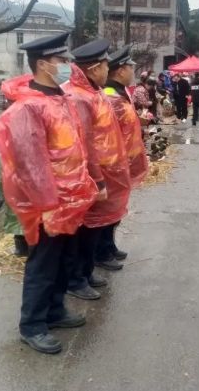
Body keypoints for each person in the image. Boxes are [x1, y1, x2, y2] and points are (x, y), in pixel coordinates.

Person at [0, 33, 98, 354]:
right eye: (61, 61)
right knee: (42, 265)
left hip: (69, 202)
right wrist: (47, 206)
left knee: (61, 261)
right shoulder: (28, 108)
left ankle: (54, 311)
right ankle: (32, 325)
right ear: (42, 64)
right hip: (47, 205)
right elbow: (31, 165)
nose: (67, 66)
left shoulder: (60, 99)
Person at [63, 39, 132, 301]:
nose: (108, 69)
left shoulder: (94, 92)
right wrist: (97, 179)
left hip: (102, 171)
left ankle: (86, 271)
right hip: (89, 175)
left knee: (93, 228)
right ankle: (76, 278)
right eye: (105, 65)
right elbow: (86, 142)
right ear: (93, 69)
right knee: (84, 230)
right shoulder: (79, 97)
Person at [102, 46, 149, 264]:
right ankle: (101, 252)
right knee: (106, 209)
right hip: (111, 161)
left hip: (122, 160)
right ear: (120, 71)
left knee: (115, 208)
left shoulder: (121, 91)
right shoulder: (110, 95)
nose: (133, 71)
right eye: (131, 67)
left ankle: (109, 246)